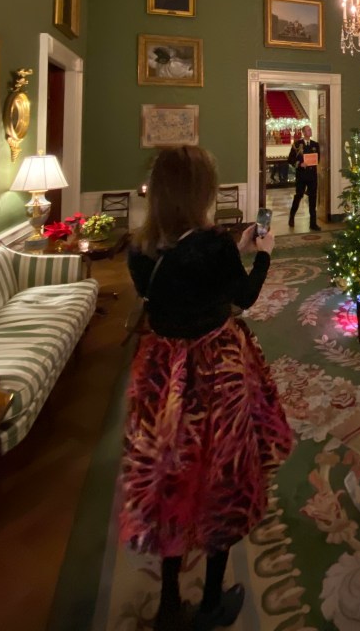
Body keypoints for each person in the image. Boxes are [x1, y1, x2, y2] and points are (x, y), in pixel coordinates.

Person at [119, 146, 293, 631]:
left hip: (163, 375)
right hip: (217, 371)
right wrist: (263, 255)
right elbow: (244, 297)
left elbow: (179, 278)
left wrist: (235, 247)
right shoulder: (213, 247)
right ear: (200, 193)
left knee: (172, 478)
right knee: (223, 477)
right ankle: (212, 601)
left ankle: (169, 602)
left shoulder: (139, 249)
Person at [288, 124, 320, 230]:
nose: (310, 131)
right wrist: (300, 164)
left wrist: (313, 161)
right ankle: (292, 216)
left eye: (310, 130)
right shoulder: (297, 144)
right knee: (298, 196)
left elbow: (318, 158)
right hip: (301, 175)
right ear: (304, 133)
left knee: (313, 198)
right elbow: (290, 159)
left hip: (312, 176)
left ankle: (313, 223)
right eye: (308, 130)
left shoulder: (315, 144)